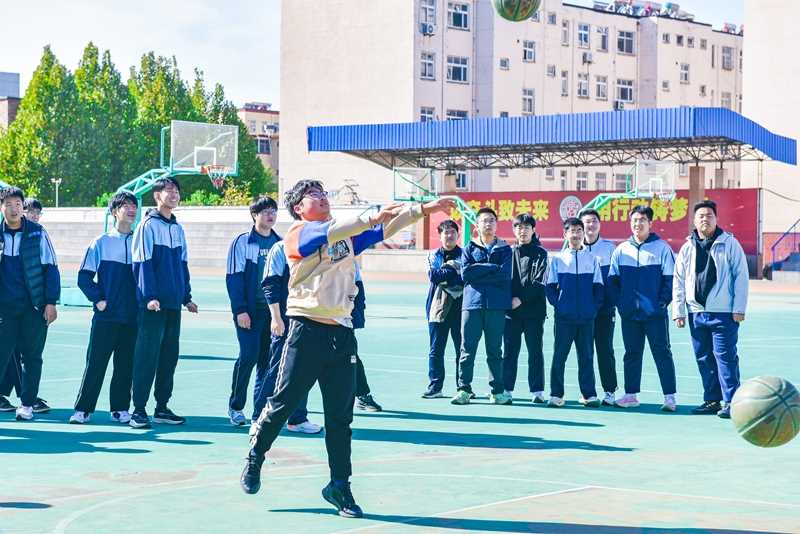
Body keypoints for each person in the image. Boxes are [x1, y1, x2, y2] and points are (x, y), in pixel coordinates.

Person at [241, 179, 452, 519]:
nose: (321, 197)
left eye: (323, 193)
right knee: (282, 405)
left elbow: (383, 229)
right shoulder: (298, 234)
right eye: (313, 195)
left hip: (341, 334)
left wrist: (423, 209)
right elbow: (339, 229)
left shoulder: (345, 237)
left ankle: (339, 485)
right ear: (298, 208)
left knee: (340, 418)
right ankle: (255, 456)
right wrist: (371, 216)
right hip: (305, 331)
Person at [129, 177, 199, 429]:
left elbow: (182, 265)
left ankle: (161, 407)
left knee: (169, 358)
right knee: (146, 357)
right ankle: (138, 410)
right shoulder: (147, 225)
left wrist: (186, 297)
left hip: (172, 305)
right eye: (169, 190)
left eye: (176, 191)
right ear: (157, 195)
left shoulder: (177, 228)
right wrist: (150, 296)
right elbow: (142, 263)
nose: (174, 194)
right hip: (153, 306)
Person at [673, 200, 749, 419]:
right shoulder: (687, 247)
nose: (704, 219)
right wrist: (679, 311)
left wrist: (739, 308)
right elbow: (678, 280)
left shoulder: (729, 243)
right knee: (704, 358)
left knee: (725, 357)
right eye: (701, 216)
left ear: (716, 219)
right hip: (696, 312)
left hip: (724, 312)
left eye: (709, 215)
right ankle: (712, 400)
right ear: (694, 221)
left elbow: (741, 276)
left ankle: (731, 401)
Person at [69, 192, 139, 424]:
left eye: (134, 206)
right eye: (126, 206)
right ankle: (83, 410)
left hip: (132, 318)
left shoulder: (141, 242)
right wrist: (99, 300)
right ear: (115, 211)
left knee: (125, 367)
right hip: (106, 318)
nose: (132, 210)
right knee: (95, 364)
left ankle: (120, 409)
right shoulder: (101, 242)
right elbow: (84, 277)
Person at [609, 205, 678, 412]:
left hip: (655, 315)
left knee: (662, 353)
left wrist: (661, 303)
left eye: (642, 220)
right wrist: (621, 304)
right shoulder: (621, 250)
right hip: (630, 314)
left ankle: (669, 397)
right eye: (634, 220)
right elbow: (612, 281)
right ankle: (630, 395)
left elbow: (670, 280)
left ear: (650, 223)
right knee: (631, 353)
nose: (637, 224)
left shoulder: (662, 248)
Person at [0, 187, 60, 421]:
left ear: (23, 207)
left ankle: (27, 405)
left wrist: (51, 302)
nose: (13, 209)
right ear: (1, 207)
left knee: (32, 358)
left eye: (18, 204)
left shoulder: (38, 233)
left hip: (34, 308)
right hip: (4, 310)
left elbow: (51, 268)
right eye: (8, 204)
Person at [254, 238, 322, 434]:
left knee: (304, 372)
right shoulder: (281, 248)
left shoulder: (320, 247)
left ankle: (297, 419)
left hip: (309, 321)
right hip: (285, 320)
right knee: (276, 369)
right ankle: (259, 418)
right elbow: (270, 284)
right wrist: (276, 318)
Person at [225, 196, 281, 426]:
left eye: (273, 211)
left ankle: (259, 410)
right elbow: (234, 278)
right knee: (248, 356)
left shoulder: (280, 243)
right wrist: (240, 310)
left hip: (272, 313)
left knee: (267, 362)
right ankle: (236, 406)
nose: (270, 215)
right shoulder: (242, 242)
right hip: (249, 311)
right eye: (265, 211)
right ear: (254, 215)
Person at [451, 207, 512, 406]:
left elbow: (505, 275)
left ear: (496, 224)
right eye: (484, 220)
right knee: (467, 349)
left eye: (491, 220)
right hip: (472, 305)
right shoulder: (468, 248)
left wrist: (479, 271)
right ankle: (464, 389)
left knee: (495, 351)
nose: (488, 224)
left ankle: (497, 391)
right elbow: (466, 274)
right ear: (477, 225)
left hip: (496, 306)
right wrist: (492, 268)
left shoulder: (505, 249)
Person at [545, 217, 604, 407]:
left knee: (586, 356)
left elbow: (599, 287)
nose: (576, 234)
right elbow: (550, 287)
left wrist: (592, 308)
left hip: (586, 318)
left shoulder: (592, 259)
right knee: (559, 356)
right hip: (564, 318)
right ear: (565, 234)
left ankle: (589, 395)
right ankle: (556, 395)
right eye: (572, 231)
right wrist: (560, 306)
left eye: (579, 230)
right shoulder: (558, 259)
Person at [503, 213, 548, 403]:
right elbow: (502, 280)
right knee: (510, 352)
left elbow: (539, 282)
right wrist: (509, 300)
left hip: (534, 313)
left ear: (533, 230)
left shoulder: (541, 253)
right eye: (519, 227)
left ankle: (537, 391)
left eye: (527, 227)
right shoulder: (507, 252)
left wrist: (520, 298)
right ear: (514, 230)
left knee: (535, 352)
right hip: (511, 313)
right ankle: (506, 389)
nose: (523, 231)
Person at [580, 209, 619, 406]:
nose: (591, 225)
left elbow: (615, 280)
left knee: (605, 350)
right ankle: (588, 393)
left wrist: (610, 303)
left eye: (594, 221)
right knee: (585, 352)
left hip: (604, 311)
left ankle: (610, 391)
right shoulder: (573, 248)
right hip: (582, 312)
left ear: (599, 224)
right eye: (587, 222)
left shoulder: (609, 248)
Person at [422, 219, 463, 399]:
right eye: (446, 232)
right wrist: (454, 269)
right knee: (436, 349)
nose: (449, 235)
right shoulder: (433, 255)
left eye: (453, 232)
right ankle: (435, 387)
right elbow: (434, 276)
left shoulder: (465, 254)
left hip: (461, 308)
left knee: (462, 350)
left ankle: (463, 387)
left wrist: (447, 272)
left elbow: (466, 278)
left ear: (458, 234)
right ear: (440, 235)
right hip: (437, 307)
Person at [352, 263, 383, 412]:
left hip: (343, 321)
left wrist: (357, 316)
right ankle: (294, 408)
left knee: (352, 358)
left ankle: (362, 395)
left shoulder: (350, 261)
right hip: (315, 320)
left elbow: (358, 290)